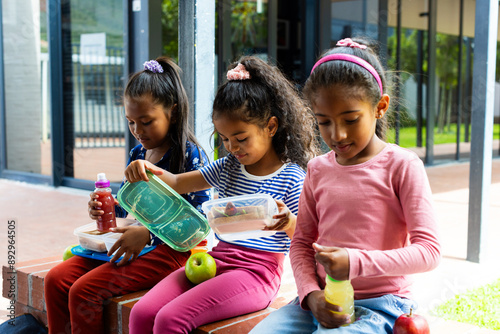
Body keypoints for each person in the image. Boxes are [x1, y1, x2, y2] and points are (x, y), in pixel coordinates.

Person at [249, 38, 441, 334]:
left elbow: (428, 252)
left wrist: (355, 261)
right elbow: (301, 243)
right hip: (320, 301)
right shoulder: (318, 168)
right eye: (324, 121)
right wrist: (311, 295)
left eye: (350, 119)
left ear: (380, 107)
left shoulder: (402, 166)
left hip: (382, 305)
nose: (337, 134)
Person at [125, 55, 321, 334]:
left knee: (171, 320)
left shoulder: (291, 178)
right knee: (143, 313)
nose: (232, 147)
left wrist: (288, 221)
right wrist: (147, 168)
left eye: (241, 138)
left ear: (271, 127)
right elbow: (177, 182)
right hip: (215, 260)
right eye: (224, 138)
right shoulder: (228, 166)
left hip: (257, 273)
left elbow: (306, 241)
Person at [44, 57, 211, 334]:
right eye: (131, 121)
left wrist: (147, 234)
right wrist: (104, 210)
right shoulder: (138, 154)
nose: (137, 130)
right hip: (135, 246)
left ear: (174, 111)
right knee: (56, 279)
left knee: (84, 291)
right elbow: (125, 211)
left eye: (146, 122)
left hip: (171, 253)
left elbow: (197, 223)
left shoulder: (189, 156)